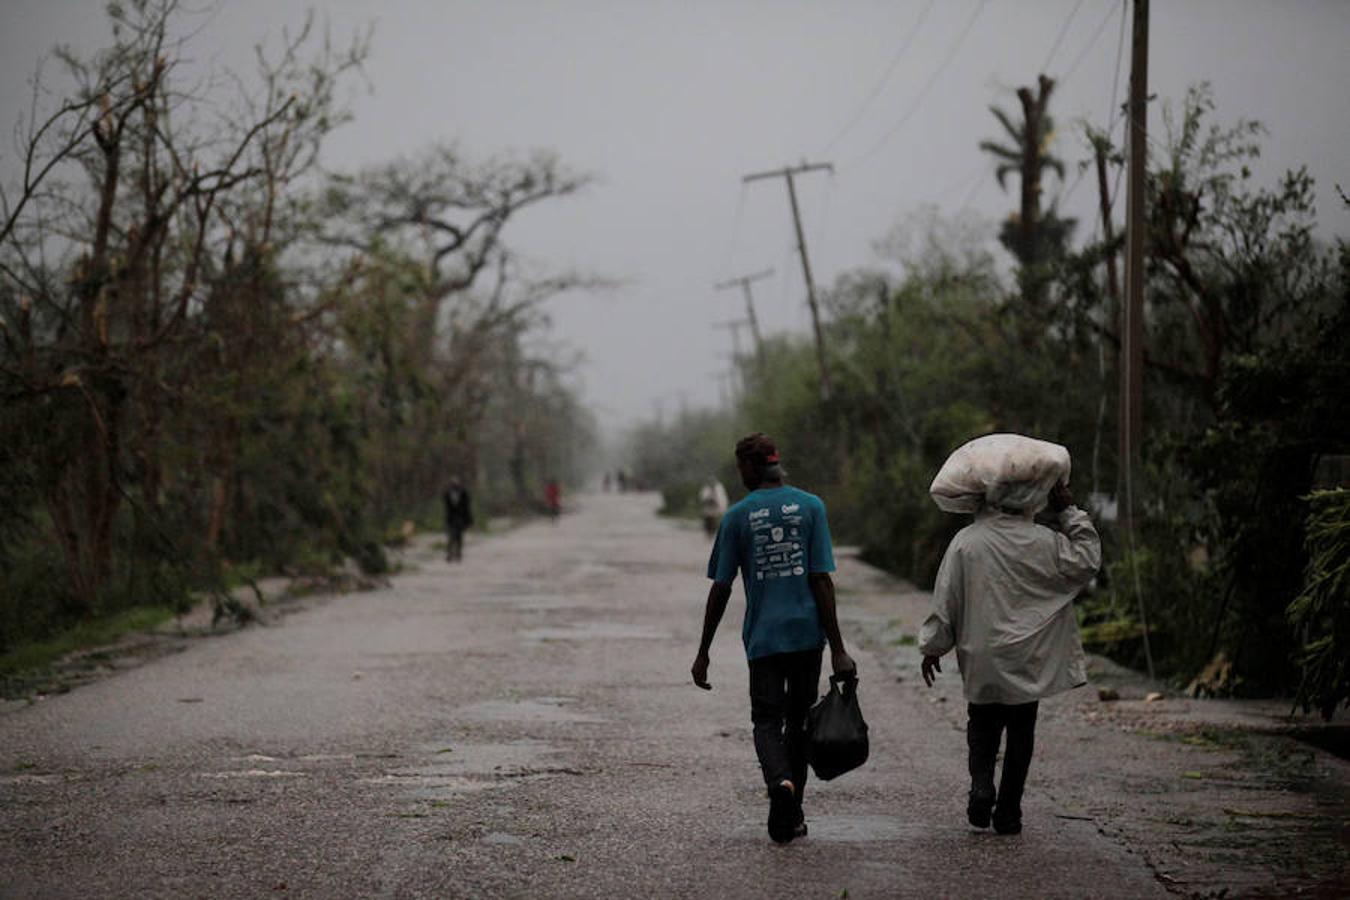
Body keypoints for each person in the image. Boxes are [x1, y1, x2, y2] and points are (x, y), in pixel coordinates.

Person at [691, 432, 856, 844]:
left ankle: (781, 784)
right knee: (798, 723)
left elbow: (721, 588)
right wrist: (838, 649)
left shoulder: (737, 517)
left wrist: (704, 651)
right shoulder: (811, 507)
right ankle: (789, 816)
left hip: (764, 640)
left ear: (749, 467)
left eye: (739, 467)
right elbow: (822, 580)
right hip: (807, 637)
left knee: (766, 721)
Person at [919, 480, 1100, 836]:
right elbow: (1088, 560)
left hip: (981, 653)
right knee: (1021, 731)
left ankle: (982, 785)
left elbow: (947, 601)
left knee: (982, 724)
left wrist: (933, 647)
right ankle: (1009, 811)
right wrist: (1069, 511)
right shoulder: (1045, 541)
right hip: (1028, 655)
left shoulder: (966, 543)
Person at [442, 477, 473, 562]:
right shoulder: (447, 493)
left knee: (459, 537)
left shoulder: (464, 493)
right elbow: (446, 507)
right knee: (450, 537)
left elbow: (467, 508)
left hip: (460, 518)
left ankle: (458, 553)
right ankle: (449, 553)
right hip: (450, 518)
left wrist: (469, 520)